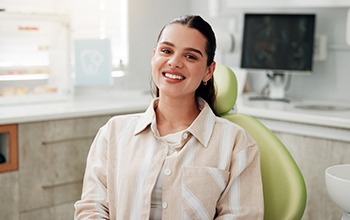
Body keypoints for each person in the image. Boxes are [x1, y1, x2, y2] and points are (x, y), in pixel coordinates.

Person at [74, 15, 264, 219]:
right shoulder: (113, 133)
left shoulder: (235, 142)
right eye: (166, 51)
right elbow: (92, 209)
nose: (174, 62)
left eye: (190, 56)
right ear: (154, 56)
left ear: (209, 71)